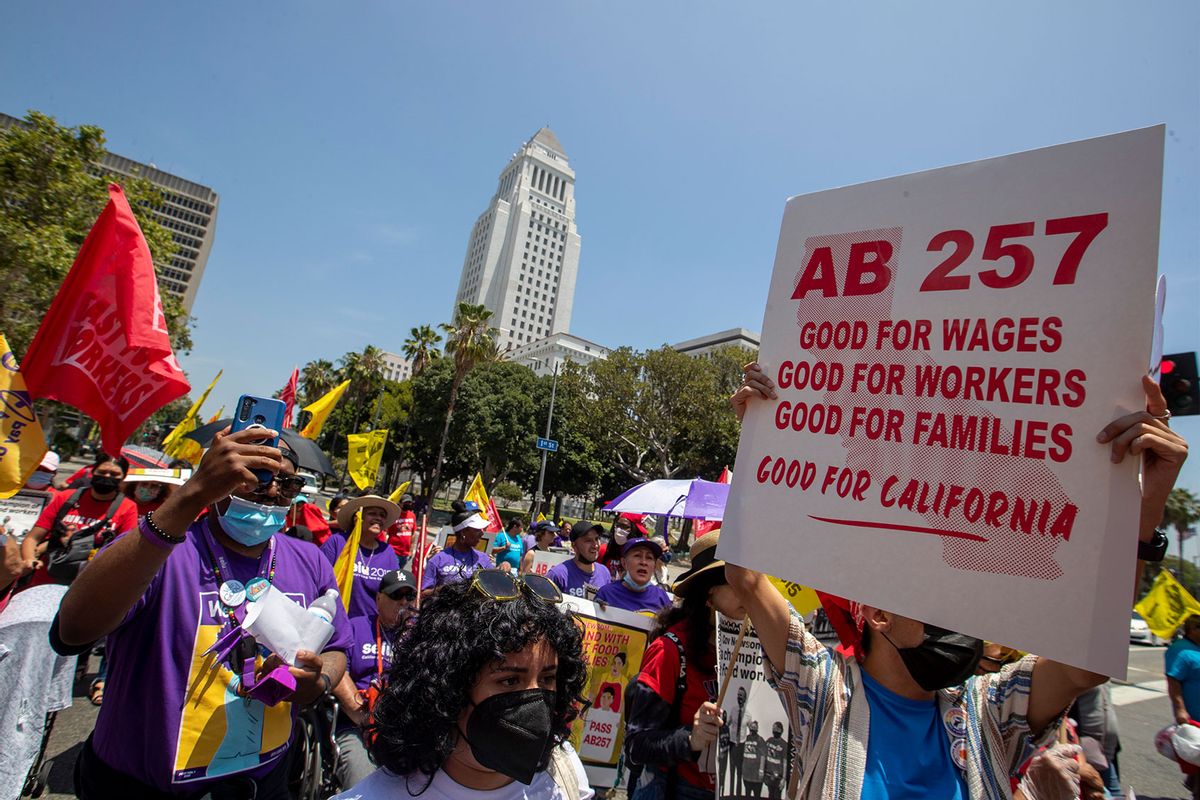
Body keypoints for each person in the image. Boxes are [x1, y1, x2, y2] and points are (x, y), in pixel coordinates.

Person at [726, 363, 1188, 799]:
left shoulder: (989, 709)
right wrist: (761, 433)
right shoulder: (826, 691)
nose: (960, 616)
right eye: (936, 597)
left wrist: (1144, 505)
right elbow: (744, 576)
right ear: (878, 614)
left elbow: (1088, 664)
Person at [50, 429, 352, 799]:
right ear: (219, 481)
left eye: (287, 484)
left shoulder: (310, 561)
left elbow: (338, 648)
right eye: (257, 480)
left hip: (263, 785)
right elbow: (74, 631)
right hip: (140, 785)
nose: (273, 492)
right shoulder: (158, 551)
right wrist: (190, 495)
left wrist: (318, 683)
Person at [332, 571, 592, 800]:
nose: (535, 698)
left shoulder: (563, 768)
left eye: (547, 679)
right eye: (510, 680)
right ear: (449, 689)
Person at [624, 532, 745, 800]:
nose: (750, 592)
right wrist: (692, 739)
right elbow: (637, 745)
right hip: (679, 789)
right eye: (738, 583)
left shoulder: (760, 646)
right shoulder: (668, 651)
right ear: (708, 595)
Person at [331, 569, 417, 790]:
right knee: (363, 782)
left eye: (409, 596)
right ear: (379, 598)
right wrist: (366, 718)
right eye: (396, 595)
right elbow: (339, 674)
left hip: (403, 727)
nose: (404, 602)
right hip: (358, 722)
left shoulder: (419, 635)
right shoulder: (355, 627)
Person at [20, 452, 139, 588]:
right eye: (102, 472)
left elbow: (126, 551)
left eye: (114, 474)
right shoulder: (65, 498)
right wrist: (29, 559)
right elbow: (32, 538)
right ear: (93, 472)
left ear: (123, 478)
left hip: (87, 586)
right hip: (46, 578)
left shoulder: (128, 507)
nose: (107, 477)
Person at [320, 495, 402, 620]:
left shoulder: (387, 552)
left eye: (382, 515)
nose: (378, 518)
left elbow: (394, 592)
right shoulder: (338, 542)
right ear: (357, 517)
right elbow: (318, 580)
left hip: (370, 629)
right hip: (335, 622)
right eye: (372, 513)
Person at [421, 500, 495, 594]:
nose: (482, 533)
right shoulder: (437, 560)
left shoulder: (484, 559)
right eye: (477, 530)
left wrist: (502, 569)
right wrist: (442, 590)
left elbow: (493, 588)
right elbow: (423, 594)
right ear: (463, 532)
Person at [595, 537, 672, 612]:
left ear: (654, 565)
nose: (643, 562)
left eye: (649, 557)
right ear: (624, 563)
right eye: (637, 556)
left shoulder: (661, 598)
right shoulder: (606, 594)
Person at [546, 521, 612, 599]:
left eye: (597, 539)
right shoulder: (558, 575)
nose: (595, 545)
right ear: (574, 545)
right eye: (588, 540)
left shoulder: (604, 572)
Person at [1168, 614, 1200, 726]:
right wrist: (1180, 709)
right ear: (1194, 629)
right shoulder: (1180, 650)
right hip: (1194, 720)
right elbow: (1173, 680)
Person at [384, 493, 418, 569]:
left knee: (399, 573)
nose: (408, 504)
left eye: (410, 502)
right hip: (394, 551)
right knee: (393, 573)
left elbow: (413, 534)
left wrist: (411, 550)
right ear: (400, 503)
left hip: (405, 553)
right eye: (406, 502)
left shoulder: (412, 515)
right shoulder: (394, 515)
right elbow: (385, 532)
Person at [763, 721, 788, 800]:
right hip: (769, 775)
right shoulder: (769, 741)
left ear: (781, 731)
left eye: (777, 729)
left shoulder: (784, 744)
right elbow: (763, 756)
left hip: (778, 777)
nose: (775, 730)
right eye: (773, 728)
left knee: (777, 796)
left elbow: (785, 762)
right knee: (770, 794)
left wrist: (784, 778)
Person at [741, 719, 766, 798]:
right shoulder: (745, 738)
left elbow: (763, 756)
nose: (753, 729)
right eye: (751, 727)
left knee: (756, 795)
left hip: (756, 776)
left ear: (757, 729)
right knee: (747, 795)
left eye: (754, 728)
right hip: (746, 774)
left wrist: (761, 770)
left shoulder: (760, 740)